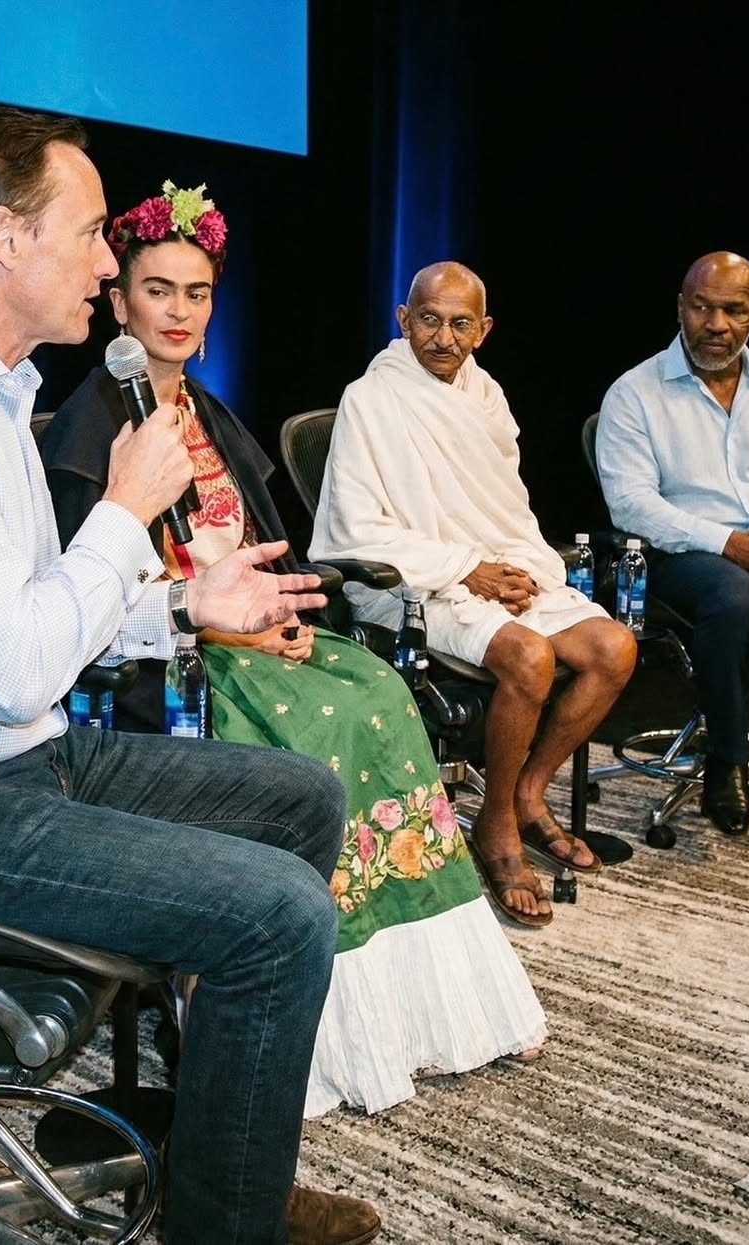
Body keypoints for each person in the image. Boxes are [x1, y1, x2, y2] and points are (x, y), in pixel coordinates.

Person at [0, 107, 381, 1245]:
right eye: (94, 233)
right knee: (280, 918)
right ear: (4, 238)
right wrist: (125, 509)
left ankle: (219, 1169)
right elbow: (14, 667)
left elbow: (35, 616)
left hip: (14, 761)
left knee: (302, 798)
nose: (110, 264)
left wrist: (187, 603)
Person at [41, 184, 548, 1117]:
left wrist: (282, 611)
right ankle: (282, 1007)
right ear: (118, 304)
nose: (180, 311)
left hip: (246, 629)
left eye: (197, 293)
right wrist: (223, 624)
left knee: (377, 690)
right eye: (157, 290)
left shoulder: (207, 412)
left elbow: (264, 543)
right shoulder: (91, 426)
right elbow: (94, 596)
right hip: (166, 658)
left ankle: (411, 1011)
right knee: (319, 723)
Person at [310, 262, 638, 925]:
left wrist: (514, 569)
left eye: (460, 324)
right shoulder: (369, 398)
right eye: (429, 320)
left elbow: (506, 510)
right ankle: (496, 826)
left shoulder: (486, 395)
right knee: (530, 658)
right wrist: (465, 568)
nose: (443, 337)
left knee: (614, 648)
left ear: (483, 330)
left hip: (489, 566)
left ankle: (526, 793)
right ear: (403, 320)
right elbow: (358, 529)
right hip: (411, 581)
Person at [597, 250, 749, 836]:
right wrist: (729, 544)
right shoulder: (635, 393)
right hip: (679, 553)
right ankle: (727, 758)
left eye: (733, 310)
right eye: (702, 308)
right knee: (733, 597)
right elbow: (632, 504)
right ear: (681, 308)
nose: (716, 324)